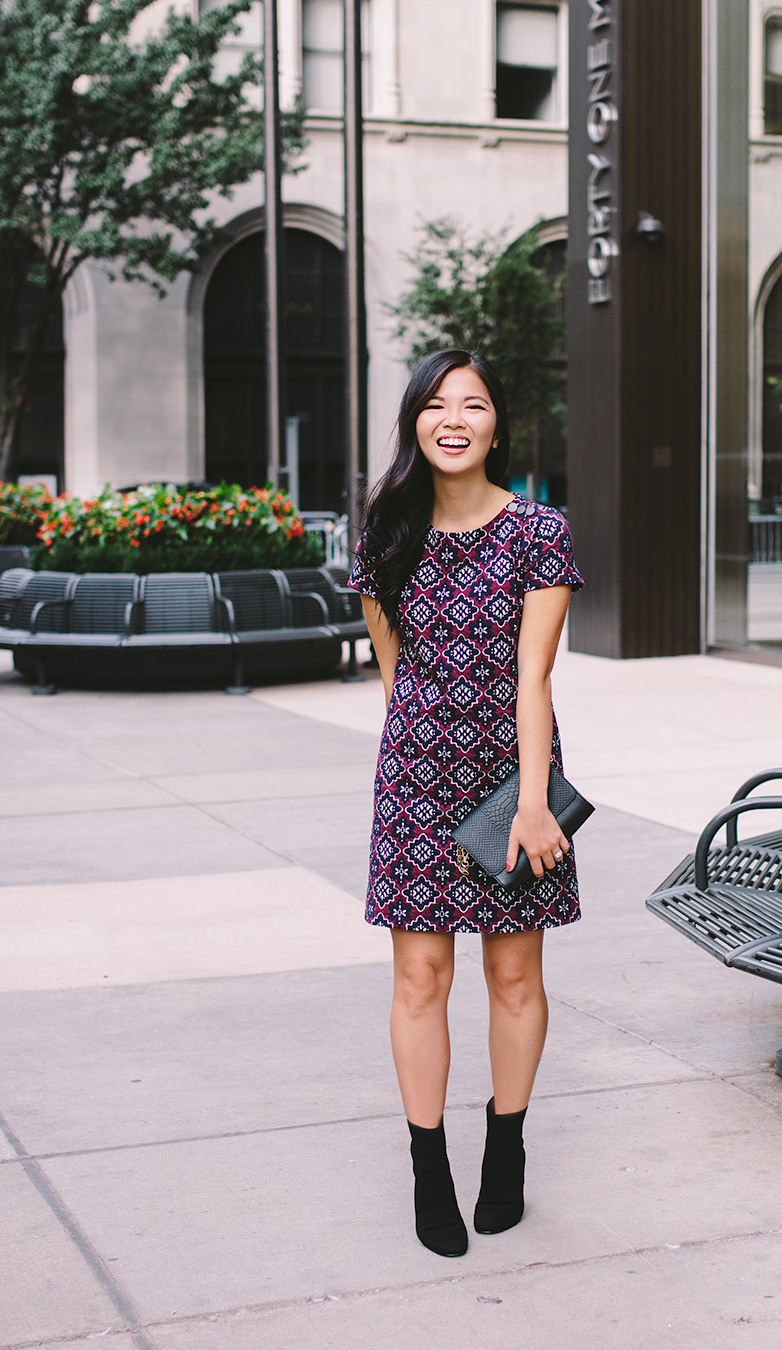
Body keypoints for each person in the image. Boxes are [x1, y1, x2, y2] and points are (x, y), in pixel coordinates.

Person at [349, 349, 583, 1258]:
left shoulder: (538, 532)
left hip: (510, 783)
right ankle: (427, 1168)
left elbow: (536, 678)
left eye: (473, 404)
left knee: (515, 976)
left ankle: (508, 1151)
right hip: (413, 782)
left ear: (496, 424)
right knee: (421, 980)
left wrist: (532, 805)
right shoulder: (386, 533)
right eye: (437, 405)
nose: (454, 419)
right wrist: (416, 769)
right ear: (414, 422)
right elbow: (393, 677)